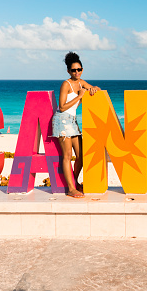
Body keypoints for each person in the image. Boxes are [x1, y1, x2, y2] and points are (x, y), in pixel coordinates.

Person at [51, 52, 101, 198]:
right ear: (68, 71)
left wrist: (94, 88)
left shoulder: (81, 82)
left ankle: (74, 180)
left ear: (82, 70)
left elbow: (94, 89)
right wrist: (80, 96)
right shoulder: (66, 84)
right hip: (62, 120)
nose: (77, 72)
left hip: (73, 121)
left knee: (81, 156)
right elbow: (61, 106)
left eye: (79, 69)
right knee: (67, 156)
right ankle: (71, 189)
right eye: (73, 70)